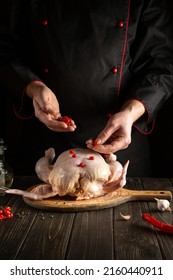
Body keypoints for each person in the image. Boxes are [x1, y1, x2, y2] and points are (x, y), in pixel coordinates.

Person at [0, 0, 173, 176]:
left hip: (119, 149)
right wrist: (34, 88)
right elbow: (3, 50)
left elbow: (162, 65)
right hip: (46, 150)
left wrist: (131, 112)